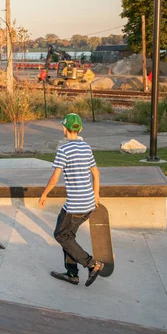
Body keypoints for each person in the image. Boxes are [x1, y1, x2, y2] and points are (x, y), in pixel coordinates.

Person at [38, 113, 104, 287]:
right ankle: (72, 274)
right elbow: (96, 174)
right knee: (68, 237)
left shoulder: (64, 150)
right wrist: (96, 195)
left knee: (61, 235)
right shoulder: (86, 147)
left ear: (64, 129)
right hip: (88, 203)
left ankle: (92, 264)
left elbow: (55, 177)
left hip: (75, 206)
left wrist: (44, 194)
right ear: (80, 129)